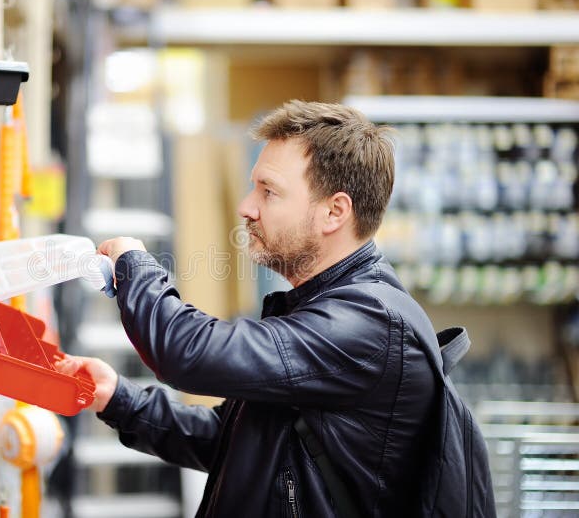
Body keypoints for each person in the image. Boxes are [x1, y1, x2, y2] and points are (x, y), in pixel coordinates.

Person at [56, 100, 438, 517]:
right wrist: (118, 399)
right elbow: (233, 440)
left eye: (268, 191)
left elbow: (185, 352)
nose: (246, 206)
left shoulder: (370, 324)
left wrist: (135, 265)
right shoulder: (318, 305)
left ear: (334, 211)